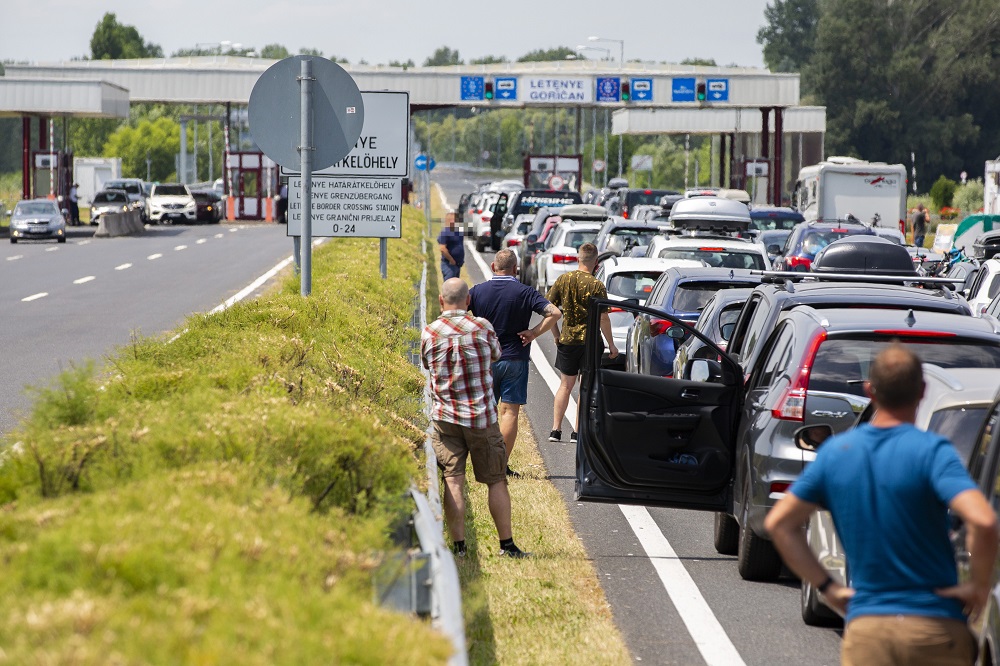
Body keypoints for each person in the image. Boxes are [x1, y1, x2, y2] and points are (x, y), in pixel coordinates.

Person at [765, 344, 998, 666]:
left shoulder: (837, 452)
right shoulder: (932, 451)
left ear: (869, 390)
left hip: (868, 628)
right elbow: (983, 521)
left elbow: (780, 523)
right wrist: (978, 587)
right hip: (934, 626)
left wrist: (828, 588)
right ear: (922, 390)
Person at [421, 278, 529, 559]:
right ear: (468, 301)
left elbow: (425, 364)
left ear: (441, 300)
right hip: (481, 417)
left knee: (453, 478)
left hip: (445, 418)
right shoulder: (482, 327)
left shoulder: (429, 332)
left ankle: (459, 548)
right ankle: (506, 544)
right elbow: (495, 355)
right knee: (496, 480)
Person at [469, 249, 562, 477]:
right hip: (514, 359)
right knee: (509, 412)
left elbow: (456, 312)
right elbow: (555, 313)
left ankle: (481, 462)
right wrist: (533, 332)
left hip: (485, 360)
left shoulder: (478, 291)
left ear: (493, 267)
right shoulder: (525, 292)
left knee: (484, 412)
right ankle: (500, 465)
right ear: (515, 269)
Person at [545, 242, 619, 443]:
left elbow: (549, 309)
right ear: (596, 262)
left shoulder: (563, 280)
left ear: (578, 258)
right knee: (584, 386)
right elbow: (603, 318)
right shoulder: (596, 285)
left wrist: (556, 334)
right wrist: (611, 345)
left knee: (565, 385)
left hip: (567, 340)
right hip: (590, 342)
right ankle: (577, 432)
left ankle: (555, 430)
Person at [438, 216, 465, 280]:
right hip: (449, 265)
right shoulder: (445, 233)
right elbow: (442, 249)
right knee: (450, 286)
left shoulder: (459, 232)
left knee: (456, 286)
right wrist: (451, 260)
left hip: (458, 264)